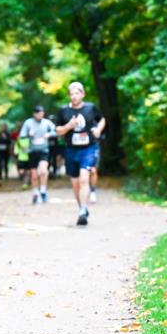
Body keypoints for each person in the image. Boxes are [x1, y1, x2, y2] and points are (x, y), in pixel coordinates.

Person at [56, 82, 105, 226]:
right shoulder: (63, 111)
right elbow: (58, 130)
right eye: (72, 94)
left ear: (82, 94)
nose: (74, 96)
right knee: (75, 183)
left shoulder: (90, 108)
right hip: (71, 150)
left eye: (77, 93)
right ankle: (82, 207)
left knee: (84, 178)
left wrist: (98, 130)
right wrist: (69, 126)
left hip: (88, 148)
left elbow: (102, 119)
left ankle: (83, 210)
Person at [18, 106, 57, 204]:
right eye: (39, 113)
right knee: (34, 174)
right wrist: (28, 134)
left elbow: (56, 130)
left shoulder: (47, 122)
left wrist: (49, 134)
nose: (41, 115)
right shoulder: (28, 123)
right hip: (32, 151)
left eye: (42, 113)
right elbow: (21, 135)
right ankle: (35, 192)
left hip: (44, 150)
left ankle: (43, 191)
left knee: (43, 170)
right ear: (34, 114)